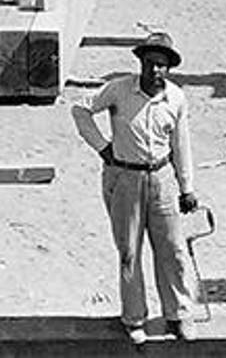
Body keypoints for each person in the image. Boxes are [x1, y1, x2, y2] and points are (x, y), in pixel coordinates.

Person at [72, 31, 201, 346]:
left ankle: (179, 314)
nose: (155, 70)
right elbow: (81, 109)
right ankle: (134, 318)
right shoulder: (119, 90)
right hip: (125, 177)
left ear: (169, 68)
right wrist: (103, 147)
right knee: (129, 251)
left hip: (161, 178)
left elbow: (181, 145)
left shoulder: (176, 98)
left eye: (161, 65)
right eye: (150, 63)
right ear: (141, 62)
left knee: (172, 250)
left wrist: (186, 187)